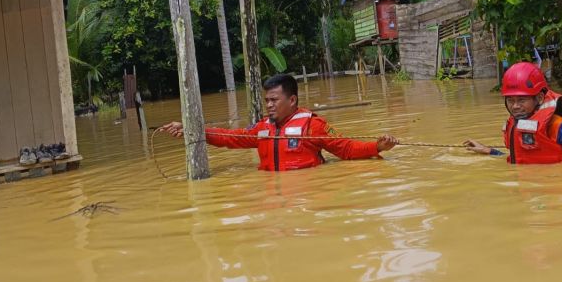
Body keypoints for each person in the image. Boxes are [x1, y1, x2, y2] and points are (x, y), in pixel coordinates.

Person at [159, 74, 398, 171]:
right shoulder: (262, 127)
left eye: (274, 99)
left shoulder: (313, 126)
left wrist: (376, 147)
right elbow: (231, 137)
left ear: (292, 99)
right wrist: (192, 129)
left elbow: (345, 149)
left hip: (305, 197)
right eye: (267, 100)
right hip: (270, 197)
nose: (269, 105)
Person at [464, 62, 562, 164]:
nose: (515, 106)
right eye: (510, 100)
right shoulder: (515, 124)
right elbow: (522, 159)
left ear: (539, 98)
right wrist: (489, 151)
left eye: (521, 100)